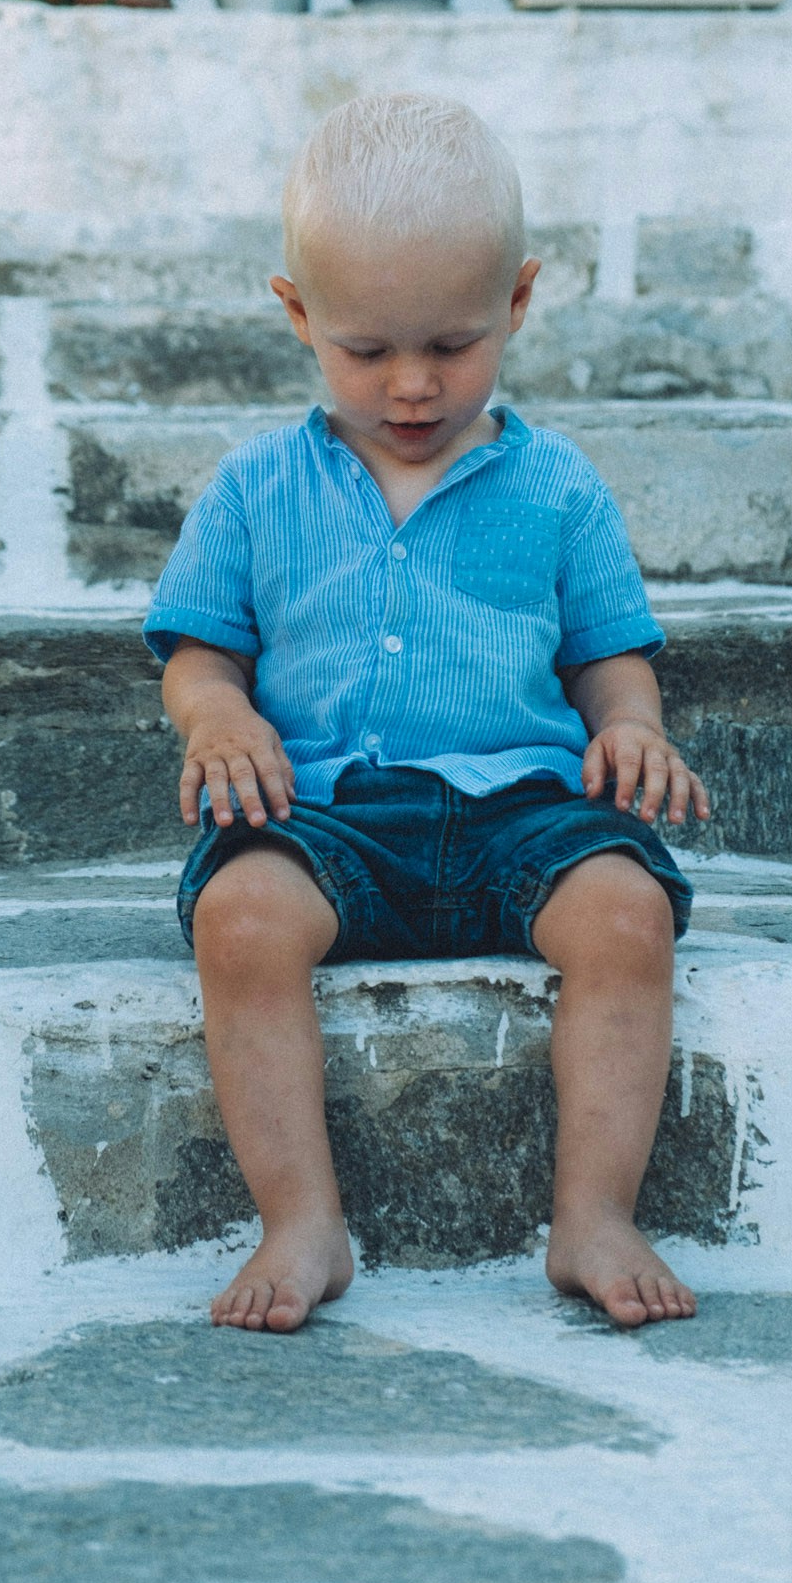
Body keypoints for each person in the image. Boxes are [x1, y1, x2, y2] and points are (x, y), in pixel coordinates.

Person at [146, 93, 711, 1336]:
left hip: (523, 810)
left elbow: (609, 659)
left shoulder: (559, 488)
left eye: (452, 345)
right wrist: (216, 720)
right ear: (297, 313)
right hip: (328, 815)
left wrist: (631, 727)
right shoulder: (253, 489)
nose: (411, 384)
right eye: (366, 350)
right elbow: (199, 657)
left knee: (626, 913)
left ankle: (594, 1213)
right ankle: (301, 1221)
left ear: (516, 301)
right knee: (239, 918)